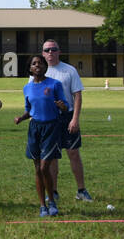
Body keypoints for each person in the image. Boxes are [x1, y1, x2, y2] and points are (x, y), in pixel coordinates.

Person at [37, 40, 91, 202]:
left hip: (67, 117)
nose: (50, 53)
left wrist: (75, 119)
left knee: (73, 153)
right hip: (48, 119)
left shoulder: (69, 70)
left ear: (59, 52)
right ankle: (53, 192)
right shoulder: (38, 72)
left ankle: (81, 190)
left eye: (54, 49)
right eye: (47, 50)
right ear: (43, 53)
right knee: (51, 157)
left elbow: (78, 95)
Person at [16, 54, 68, 217]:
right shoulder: (27, 87)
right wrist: (21, 118)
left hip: (51, 127)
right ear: (30, 68)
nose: (37, 65)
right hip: (35, 128)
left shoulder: (55, 84)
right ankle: (42, 206)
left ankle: (52, 201)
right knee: (37, 168)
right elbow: (29, 109)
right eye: (34, 63)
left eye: (40, 63)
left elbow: (65, 106)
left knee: (45, 167)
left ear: (45, 66)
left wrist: (62, 106)